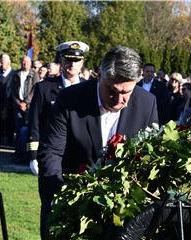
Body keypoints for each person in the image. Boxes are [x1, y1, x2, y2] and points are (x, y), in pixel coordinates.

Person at [37, 46, 158, 239]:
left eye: (127, 92)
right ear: (100, 76)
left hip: (123, 219)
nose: (120, 100)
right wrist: (60, 199)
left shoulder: (147, 103)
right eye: (113, 91)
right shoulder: (69, 99)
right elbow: (51, 152)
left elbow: (149, 159)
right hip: (71, 210)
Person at [27, 41, 90, 177]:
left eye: (77, 60)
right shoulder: (44, 88)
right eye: (68, 60)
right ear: (61, 60)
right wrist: (33, 155)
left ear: (82, 62)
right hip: (51, 155)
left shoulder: (90, 89)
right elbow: (34, 121)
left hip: (81, 158)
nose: (72, 64)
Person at [11, 55, 40, 162]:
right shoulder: (16, 74)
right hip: (18, 106)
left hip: (30, 107)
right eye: (23, 62)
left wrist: (26, 103)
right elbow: (13, 91)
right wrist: (19, 103)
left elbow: (35, 90)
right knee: (19, 130)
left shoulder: (34, 74)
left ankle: (27, 154)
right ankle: (18, 152)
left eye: (27, 62)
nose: (25, 64)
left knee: (29, 131)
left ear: (30, 63)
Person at [0, 54, 16, 147]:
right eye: (0, 62)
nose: (1, 64)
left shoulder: (15, 74)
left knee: (10, 122)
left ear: (8, 63)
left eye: (2, 62)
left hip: (10, 103)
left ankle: (9, 141)